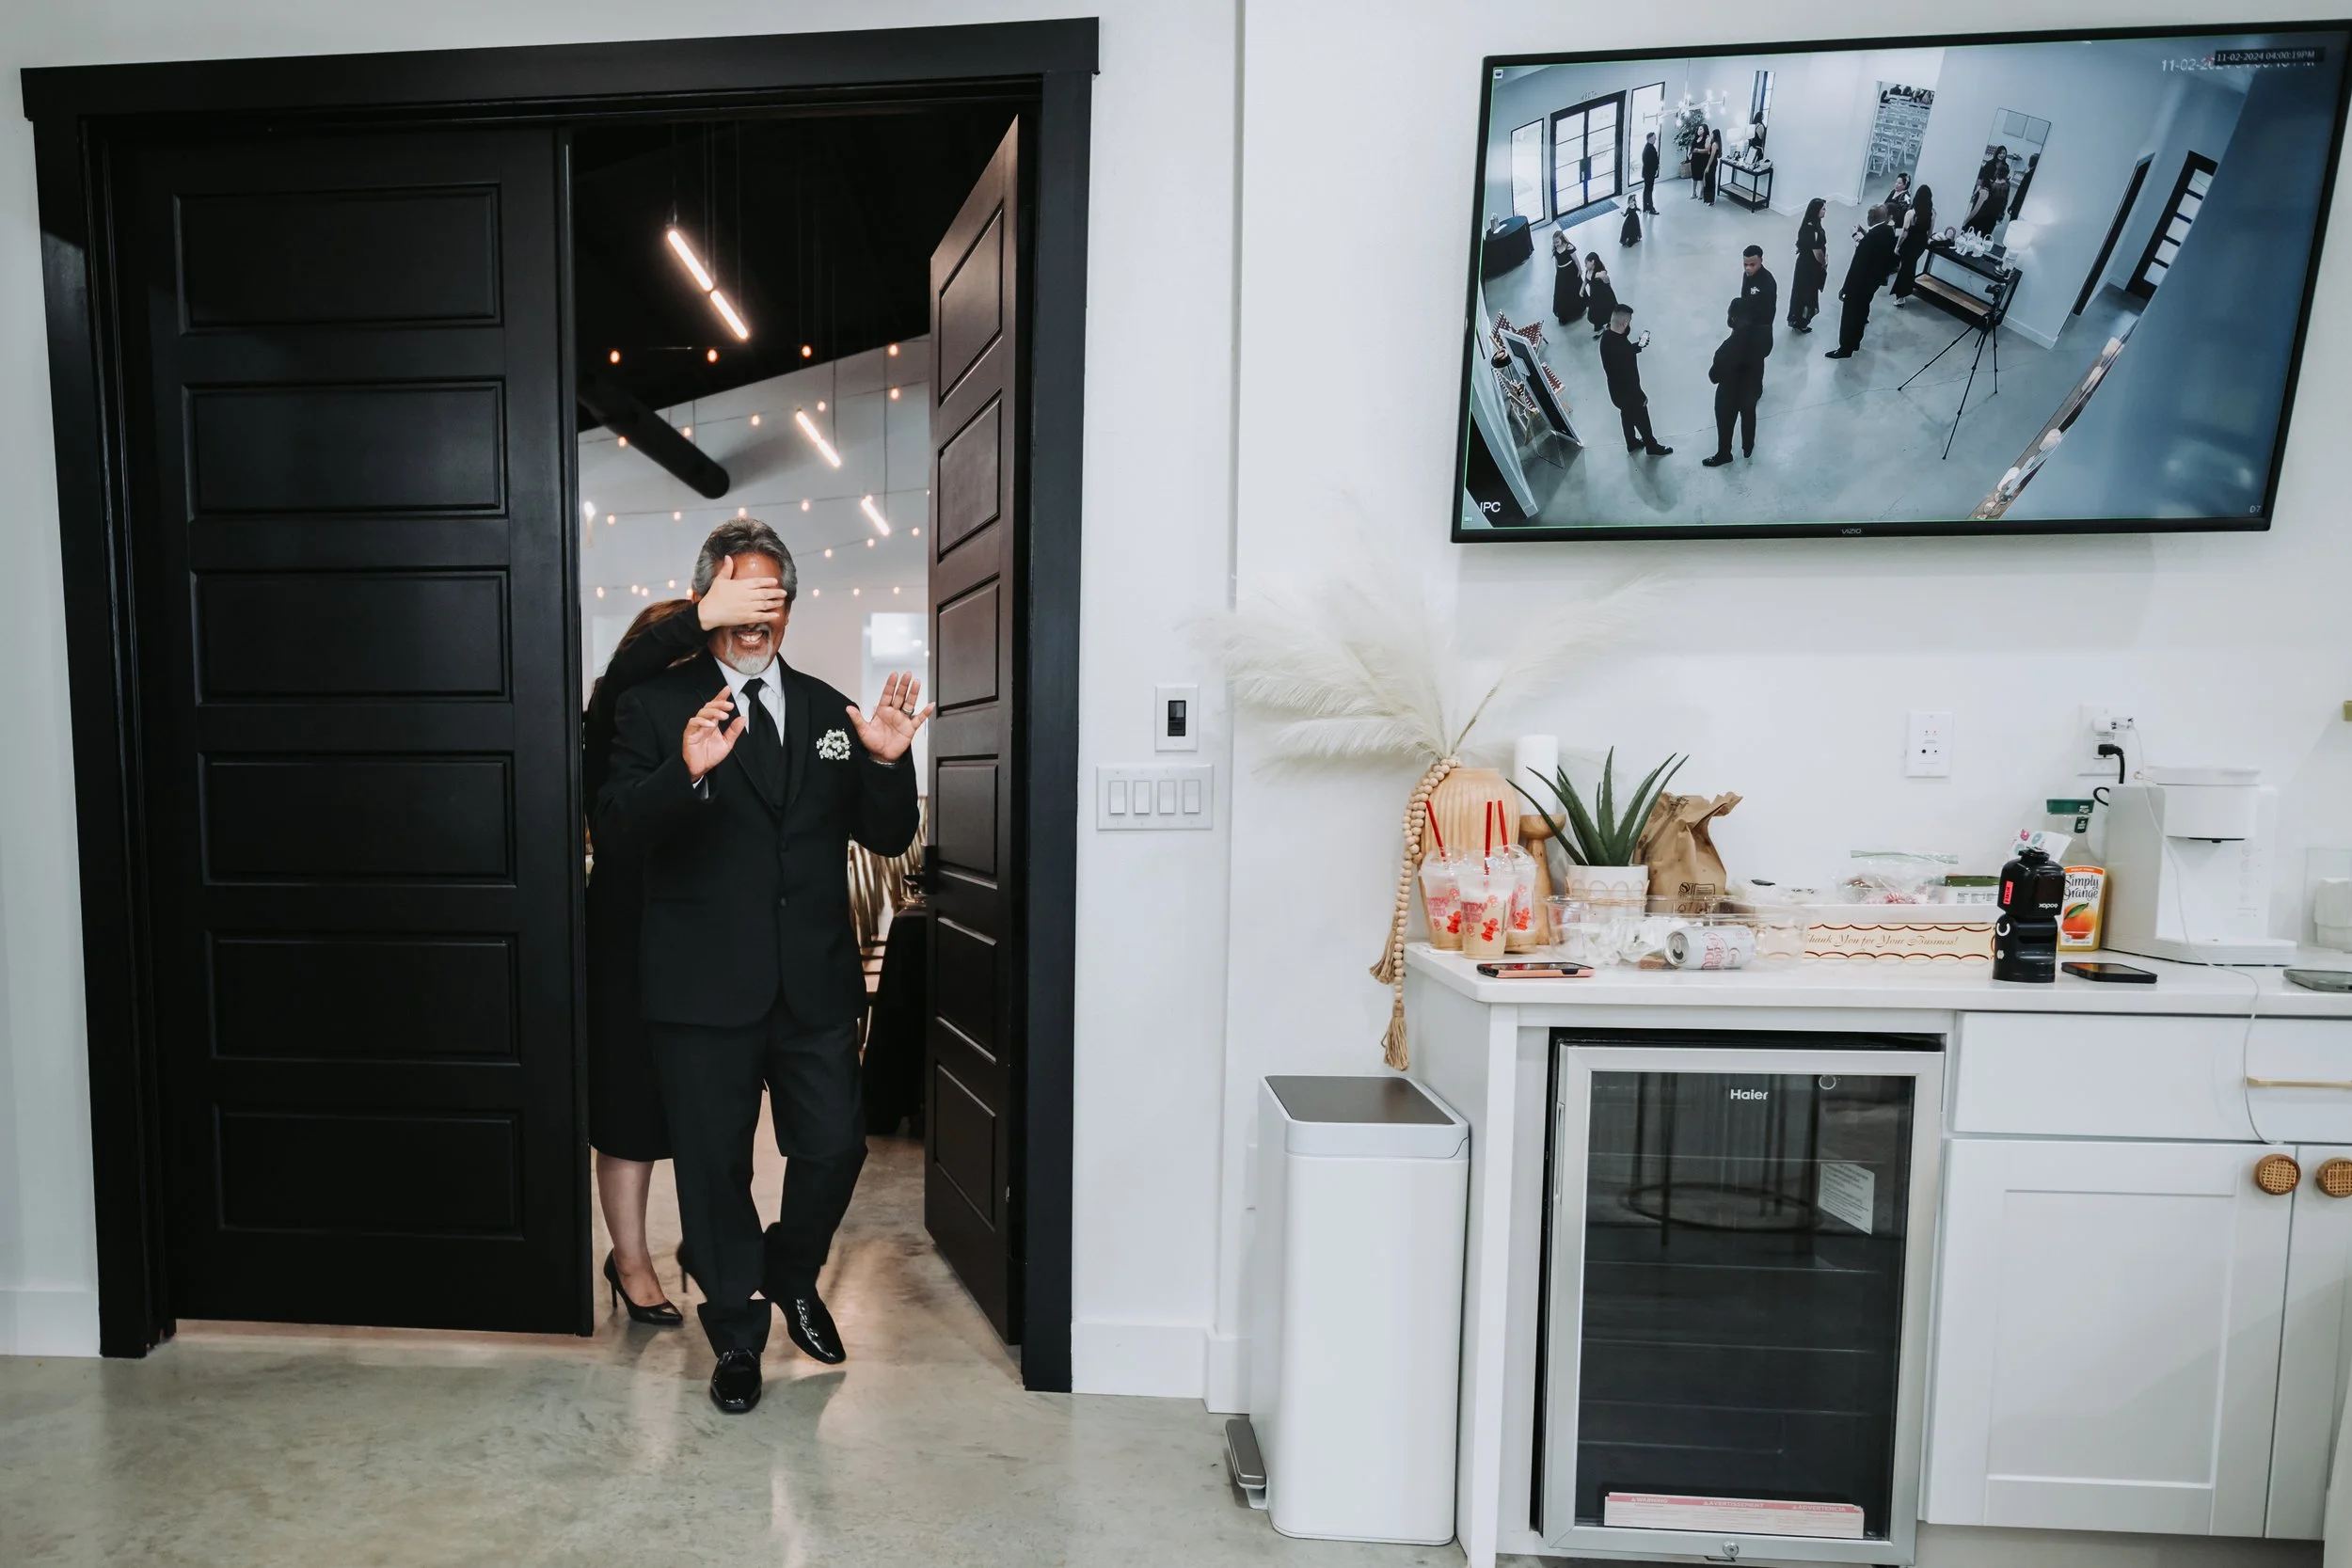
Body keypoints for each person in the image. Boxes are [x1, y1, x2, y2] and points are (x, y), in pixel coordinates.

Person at [596, 518, 929, 1415]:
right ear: (711, 602)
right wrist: (687, 771)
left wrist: (890, 762)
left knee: (835, 1146)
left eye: (770, 596)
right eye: (739, 595)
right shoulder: (654, 708)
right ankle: (736, 1337)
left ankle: (790, 1271)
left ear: (787, 606)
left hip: (813, 984)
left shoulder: (825, 708)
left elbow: (887, 832)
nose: (755, 617)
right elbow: (621, 829)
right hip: (700, 989)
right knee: (714, 1172)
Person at [582, 557, 789, 1328]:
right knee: (632, 1107)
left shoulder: (731, 708)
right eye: (683, 652)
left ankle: (711, 1246)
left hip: (708, 935)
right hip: (629, 932)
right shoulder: (620, 713)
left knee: (714, 1116)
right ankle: (629, 1257)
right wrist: (701, 611)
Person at [1827, 204, 1900, 359]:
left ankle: (1845, 348)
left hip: (1859, 284)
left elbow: (1857, 266)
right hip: (1873, 281)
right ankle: (1856, 342)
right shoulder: (1888, 231)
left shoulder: (1871, 238)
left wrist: (1845, 289)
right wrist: (1864, 235)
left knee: (1849, 316)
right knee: (1862, 311)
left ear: (1871, 218)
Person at [1598, 303, 1672, 456]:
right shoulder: (1622, 351)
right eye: (1629, 322)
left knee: (1626, 414)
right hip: (1629, 394)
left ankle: (1631, 442)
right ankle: (1652, 446)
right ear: (1624, 323)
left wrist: (1637, 346)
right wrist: (1641, 396)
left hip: (1616, 393)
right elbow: (1629, 379)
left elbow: (1622, 353)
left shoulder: (1607, 338)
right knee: (1642, 418)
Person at [1704, 298, 1769, 466]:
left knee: (1725, 422)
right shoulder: (1762, 334)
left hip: (1730, 393)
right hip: (1752, 388)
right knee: (1749, 416)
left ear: (1733, 318)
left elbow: (1714, 376)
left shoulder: (1728, 348)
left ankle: (1724, 453)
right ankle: (1748, 447)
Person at [1788, 198, 1829, 333]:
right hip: (1810, 267)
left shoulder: (1808, 224)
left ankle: (1797, 319)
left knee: (1800, 292)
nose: (1825, 211)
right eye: (1823, 209)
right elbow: (1817, 253)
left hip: (1803, 264)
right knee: (1807, 293)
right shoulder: (1814, 230)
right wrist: (1824, 263)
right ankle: (1802, 322)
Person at [1892, 184, 1936, 304]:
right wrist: (1923, 243)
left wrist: (1898, 246)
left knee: (1905, 268)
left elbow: (1904, 233)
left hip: (1909, 242)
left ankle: (1901, 296)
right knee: (1909, 267)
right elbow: (1930, 232)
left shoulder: (1911, 213)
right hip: (1920, 243)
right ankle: (1903, 293)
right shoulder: (1932, 213)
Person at [1738, 243, 1778, 339]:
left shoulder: (1767, 282)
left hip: (1759, 330)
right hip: (1746, 324)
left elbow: (1768, 311)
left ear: (1761, 261)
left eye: (1752, 264)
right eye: (1745, 264)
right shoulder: (1747, 275)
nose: (1748, 268)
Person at [1550, 230, 1585, 325]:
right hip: (1561, 273)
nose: (1556, 244)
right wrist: (1557, 273)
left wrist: (1579, 269)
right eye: (1554, 243)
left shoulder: (1569, 247)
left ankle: (1578, 309)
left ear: (1562, 239)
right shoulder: (1555, 250)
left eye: (1557, 242)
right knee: (1561, 294)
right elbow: (1556, 262)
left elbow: (1575, 259)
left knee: (1574, 290)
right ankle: (1565, 315)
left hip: (1571, 271)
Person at [1583, 253, 1617, 340]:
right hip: (1594, 296)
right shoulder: (1588, 271)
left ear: (1593, 262)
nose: (1585, 265)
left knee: (1605, 309)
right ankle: (1600, 326)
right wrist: (1581, 289)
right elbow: (1586, 281)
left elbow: (1607, 281)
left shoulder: (1599, 273)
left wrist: (1602, 275)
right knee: (1594, 312)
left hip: (1603, 295)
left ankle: (1609, 323)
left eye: (1586, 263)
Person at [1702, 130, 1724, 205]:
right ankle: (1709, 199)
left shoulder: (1715, 144)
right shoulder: (1714, 143)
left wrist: (1708, 166)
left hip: (1712, 163)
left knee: (1710, 180)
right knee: (1709, 180)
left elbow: (1712, 155)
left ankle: (1710, 199)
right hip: (1712, 162)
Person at [1687, 126, 1710, 199]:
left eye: (1701, 129)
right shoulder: (1695, 138)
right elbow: (1691, 147)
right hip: (1694, 160)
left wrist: (1698, 150)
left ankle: (1701, 193)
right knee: (1694, 177)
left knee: (1701, 177)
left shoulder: (1707, 138)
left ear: (1704, 130)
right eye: (1698, 129)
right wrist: (1689, 153)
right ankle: (1693, 193)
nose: (1698, 130)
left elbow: (1707, 150)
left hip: (1702, 160)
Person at [1640, 132, 1661, 214]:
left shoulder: (1648, 147)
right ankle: (1651, 208)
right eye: (1654, 137)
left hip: (1647, 172)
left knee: (1647, 190)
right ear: (1650, 138)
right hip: (1649, 173)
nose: (1655, 139)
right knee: (1649, 190)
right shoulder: (1649, 149)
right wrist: (1656, 167)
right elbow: (1650, 161)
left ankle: (1646, 207)